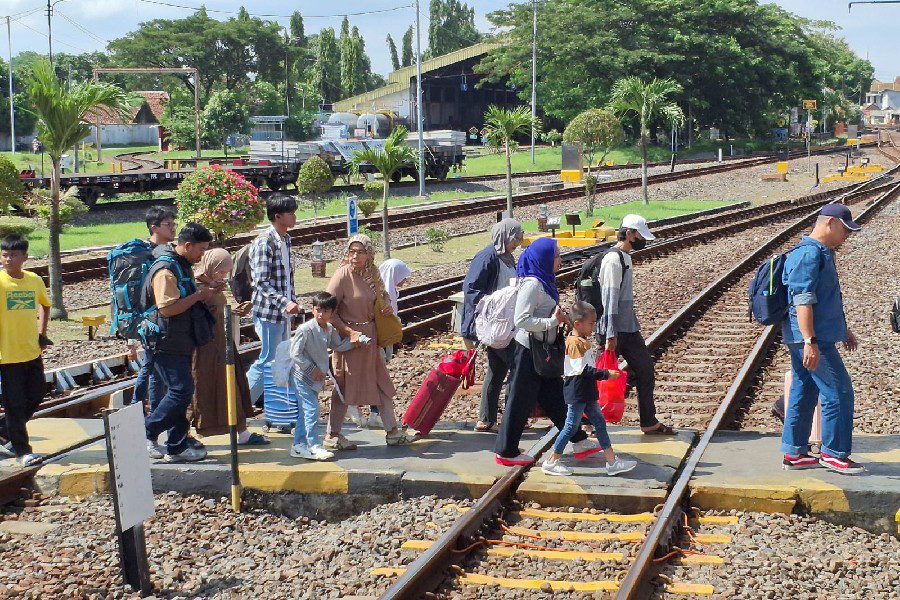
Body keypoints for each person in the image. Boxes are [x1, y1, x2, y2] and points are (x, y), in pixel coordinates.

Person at [494, 237, 600, 466]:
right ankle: (506, 451)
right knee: (519, 400)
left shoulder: (544, 281)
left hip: (543, 350)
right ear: (544, 259)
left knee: (555, 398)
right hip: (528, 351)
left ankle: (579, 440)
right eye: (556, 256)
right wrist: (551, 322)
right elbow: (521, 319)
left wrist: (557, 318)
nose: (560, 260)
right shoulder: (533, 284)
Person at [781, 203, 863, 474]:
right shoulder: (809, 254)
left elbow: (826, 300)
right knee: (839, 392)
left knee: (804, 390)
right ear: (829, 223)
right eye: (844, 230)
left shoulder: (820, 253)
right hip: (813, 338)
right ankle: (834, 454)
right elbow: (802, 301)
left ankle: (795, 453)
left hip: (814, 335)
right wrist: (810, 341)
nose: (846, 236)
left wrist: (843, 330)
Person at [324, 234, 412, 449]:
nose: (355, 256)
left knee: (381, 381)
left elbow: (383, 295)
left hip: (370, 338)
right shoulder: (342, 275)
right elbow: (327, 310)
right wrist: (348, 331)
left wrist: (387, 305)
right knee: (344, 386)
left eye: (360, 251)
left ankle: (392, 431)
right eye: (352, 251)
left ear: (369, 253)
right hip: (351, 342)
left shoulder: (372, 273)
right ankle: (332, 435)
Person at [142, 222, 216, 463]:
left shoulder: (181, 265)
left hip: (179, 338)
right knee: (181, 390)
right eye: (201, 250)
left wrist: (205, 288)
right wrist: (198, 296)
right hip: (165, 340)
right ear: (187, 245)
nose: (202, 255)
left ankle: (176, 446)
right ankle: (147, 432)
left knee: (182, 392)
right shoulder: (165, 270)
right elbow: (167, 309)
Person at [596, 214, 673, 435]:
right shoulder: (613, 260)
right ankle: (588, 423)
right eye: (640, 235)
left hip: (628, 328)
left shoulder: (625, 257)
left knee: (645, 371)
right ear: (629, 233)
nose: (642, 240)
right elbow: (609, 298)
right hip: (614, 330)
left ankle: (648, 421)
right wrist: (610, 334)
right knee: (600, 376)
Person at [541, 302, 637, 477]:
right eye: (591, 323)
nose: (593, 327)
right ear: (578, 324)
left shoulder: (579, 340)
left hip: (585, 391)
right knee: (570, 426)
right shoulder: (575, 343)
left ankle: (612, 462)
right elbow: (582, 369)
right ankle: (551, 461)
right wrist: (606, 374)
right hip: (578, 391)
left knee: (599, 423)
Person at [189, 248, 268, 445]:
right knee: (201, 387)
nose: (223, 276)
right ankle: (185, 433)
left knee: (233, 384)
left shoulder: (213, 285)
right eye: (221, 271)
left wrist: (234, 310)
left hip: (222, 344)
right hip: (204, 347)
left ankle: (241, 431)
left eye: (226, 272)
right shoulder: (197, 286)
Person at [461, 218, 524, 432]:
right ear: (504, 236)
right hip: (493, 323)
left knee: (497, 370)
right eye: (514, 238)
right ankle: (509, 419)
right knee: (516, 368)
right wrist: (490, 308)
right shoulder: (487, 257)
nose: (516, 243)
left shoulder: (506, 257)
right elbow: (471, 289)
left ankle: (487, 419)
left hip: (504, 323)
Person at [288, 291, 360, 460]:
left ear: (332, 313)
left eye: (326, 311)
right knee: (312, 410)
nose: (321, 314)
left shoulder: (328, 329)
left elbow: (338, 345)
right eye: (318, 309)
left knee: (305, 412)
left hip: (315, 378)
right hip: (301, 377)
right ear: (313, 310)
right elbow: (295, 354)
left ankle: (298, 445)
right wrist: (311, 368)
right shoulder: (305, 329)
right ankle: (313, 445)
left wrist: (355, 343)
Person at [0, 235, 51, 466]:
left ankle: (6, 430)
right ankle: (22, 451)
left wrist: (42, 334)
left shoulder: (33, 280)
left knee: (38, 393)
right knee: (15, 403)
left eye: (13, 255)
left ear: (25, 257)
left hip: (31, 351)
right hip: (6, 354)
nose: (8, 259)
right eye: (4, 255)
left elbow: (45, 305)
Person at [246, 194, 301, 403]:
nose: (294, 217)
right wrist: (285, 302)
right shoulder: (264, 242)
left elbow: (287, 278)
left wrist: (292, 302)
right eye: (290, 213)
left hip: (283, 312)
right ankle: (241, 405)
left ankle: (279, 406)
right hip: (269, 312)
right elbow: (261, 282)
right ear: (277, 216)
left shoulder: (285, 239)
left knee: (280, 359)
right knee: (268, 359)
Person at [132, 206, 178, 409]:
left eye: (174, 224)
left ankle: (138, 408)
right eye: (169, 224)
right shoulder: (146, 254)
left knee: (151, 366)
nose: (173, 228)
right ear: (154, 228)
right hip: (150, 320)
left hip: (162, 318)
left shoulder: (168, 251)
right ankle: (152, 414)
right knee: (154, 369)